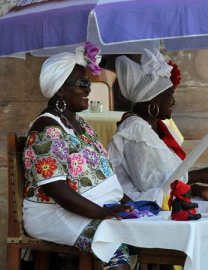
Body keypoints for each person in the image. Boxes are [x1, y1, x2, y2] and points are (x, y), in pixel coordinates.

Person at [23, 42, 134, 269]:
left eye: (88, 83)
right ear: (60, 88)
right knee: (113, 242)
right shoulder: (47, 129)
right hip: (52, 213)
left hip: (85, 208)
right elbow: (58, 191)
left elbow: (103, 172)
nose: (88, 90)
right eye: (83, 84)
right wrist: (102, 213)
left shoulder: (80, 124)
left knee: (141, 232)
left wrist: (133, 206)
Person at [108, 49, 208, 207]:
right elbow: (148, 184)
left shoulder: (152, 129)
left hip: (162, 202)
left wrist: (197, 190)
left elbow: (164, 179)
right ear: (152, 102)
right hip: (140, 208)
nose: (173, 101)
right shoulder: (136, 130)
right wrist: (196, 176)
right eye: (169, 95)